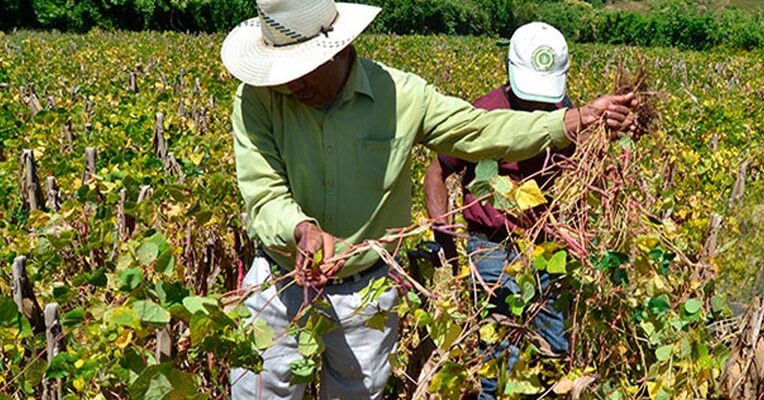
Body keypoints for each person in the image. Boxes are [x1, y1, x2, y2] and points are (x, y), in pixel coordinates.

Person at [221, 1, 637, 398]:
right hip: (281, 284)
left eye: (305, 69)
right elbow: (264, 192)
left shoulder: (402, 95)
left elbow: (480, 131)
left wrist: (572, 119)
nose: (293, 83)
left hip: (365, 294)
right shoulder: (257, 98)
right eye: (285, 71)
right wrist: (301, 230)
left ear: (340, 48)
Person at [422, 22, 579, 399]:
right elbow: (437, 172)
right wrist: (445, 238)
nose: (538, 106)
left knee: (555, 348)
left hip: (546, 248)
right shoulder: (483, 113)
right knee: (498, 356)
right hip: (490, 246)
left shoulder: (568, 113)